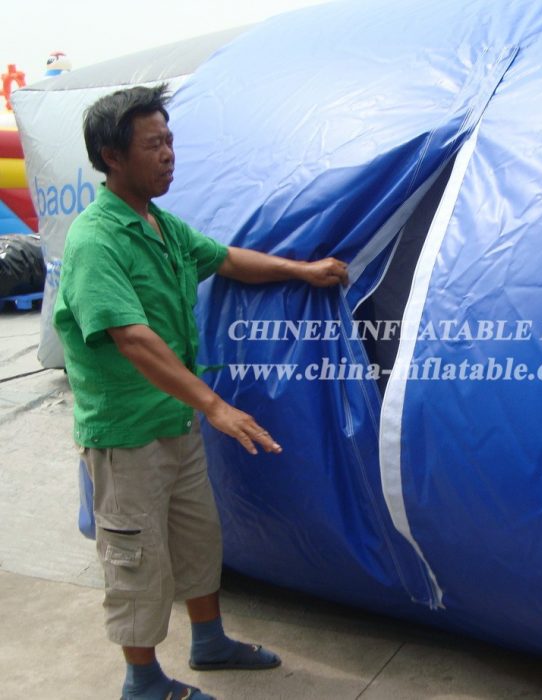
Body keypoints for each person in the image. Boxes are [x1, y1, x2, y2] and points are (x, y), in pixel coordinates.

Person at [54, 83, 348, 700]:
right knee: (135, 557)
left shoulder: (159, 226)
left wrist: (303, 271)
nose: (168, 154)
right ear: (112, 156)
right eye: (152, 144)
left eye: (170, 140)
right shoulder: (95, 241)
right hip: (126, 436)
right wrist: (214, 405)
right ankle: (142, 681)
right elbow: (132, 339)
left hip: (175, 420)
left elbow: (228, 260)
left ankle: (209, 642)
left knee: (197, 536)